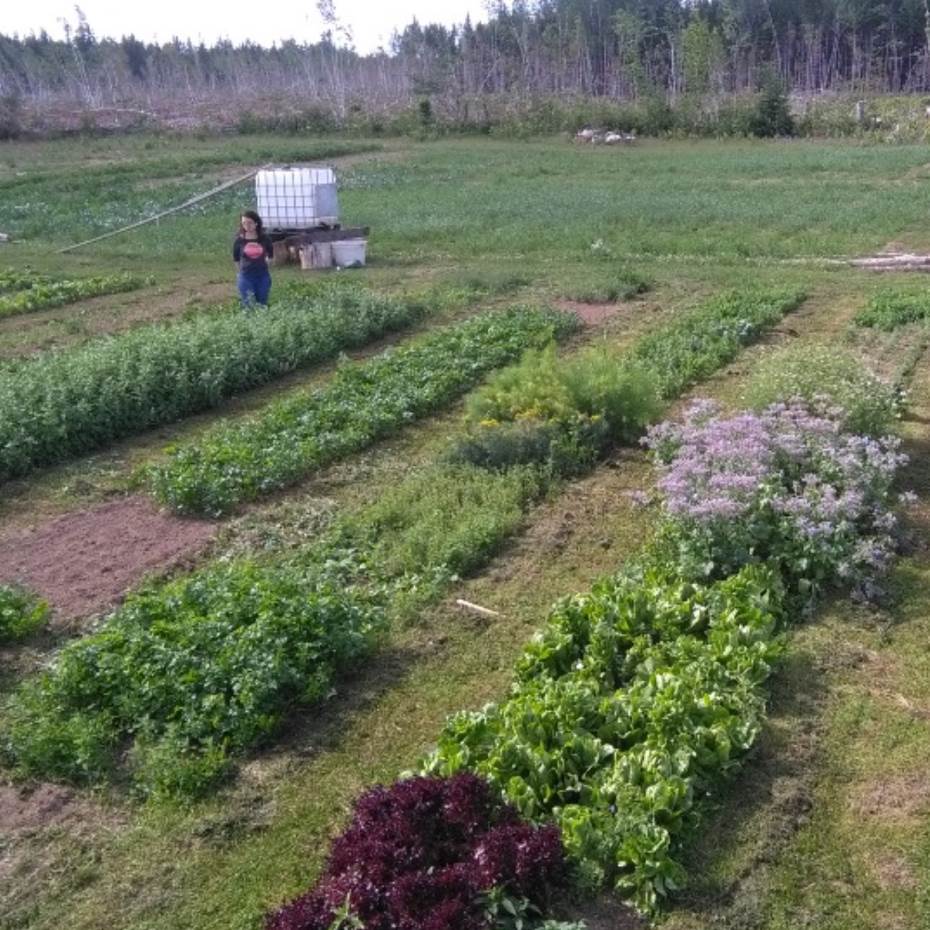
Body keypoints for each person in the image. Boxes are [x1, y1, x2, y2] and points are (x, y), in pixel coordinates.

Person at [233, 210, 274, 308]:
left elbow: (271, 255)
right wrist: (241, 273)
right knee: (249, 304)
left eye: (249, 223)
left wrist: (266, 264)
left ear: (256, 223)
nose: (247, 226)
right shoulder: (239, 240)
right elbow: (236, 259)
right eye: (244, 223)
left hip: (262, 276)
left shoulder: (265, 238)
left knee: (262, 303)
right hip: (246, 276)